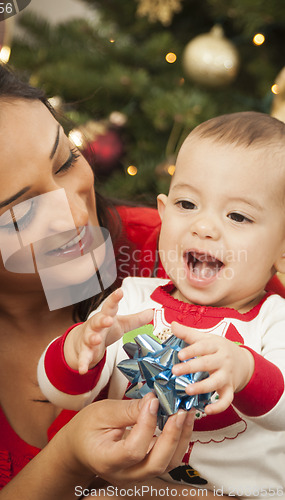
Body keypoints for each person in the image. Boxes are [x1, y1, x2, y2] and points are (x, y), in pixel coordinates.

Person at [0, 44, 209, 499]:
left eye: (66, 161)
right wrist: (68, 461)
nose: (74, 216)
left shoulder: (189, 256)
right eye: (23, 212)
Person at [38, 112, 285, 499]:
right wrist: (78, 351)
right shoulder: (131, 300)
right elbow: (64, 395)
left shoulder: (274, 320)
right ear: (164, 212)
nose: (204, 226)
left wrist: (245, 369)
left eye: (237, 215)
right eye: (187, 204)